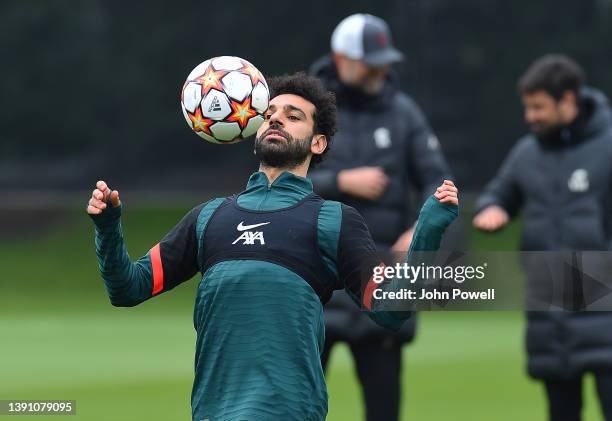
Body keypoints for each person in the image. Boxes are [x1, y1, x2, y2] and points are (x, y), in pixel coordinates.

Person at [87, 72, 459, 421]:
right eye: (268, 114)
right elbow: (128, 288)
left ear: (318, 143)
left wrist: (427, 232)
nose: (276, 119)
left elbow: (391, 310)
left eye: (293, 116)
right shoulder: (209, 217)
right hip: (212, 412)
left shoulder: (333, 219)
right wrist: (107, 227)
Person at [308, 13, 452, 421]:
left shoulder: (404, 112)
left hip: (382, 283)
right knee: (297, 406)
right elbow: (276, 180)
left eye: (383, 60)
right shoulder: (308, 109)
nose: (379, 69)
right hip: (315, 286)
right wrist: (340, 180)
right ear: (340, 58)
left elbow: (439, 182)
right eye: (369, 61)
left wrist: (420, 229)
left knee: (384, 409)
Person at [473, 55, 612, 421]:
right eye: (527, 107)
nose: (530, 116)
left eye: (538, 107)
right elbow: (499, 192)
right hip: (551, 320)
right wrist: (493, 208)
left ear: (568, 100)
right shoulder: (526, 153)